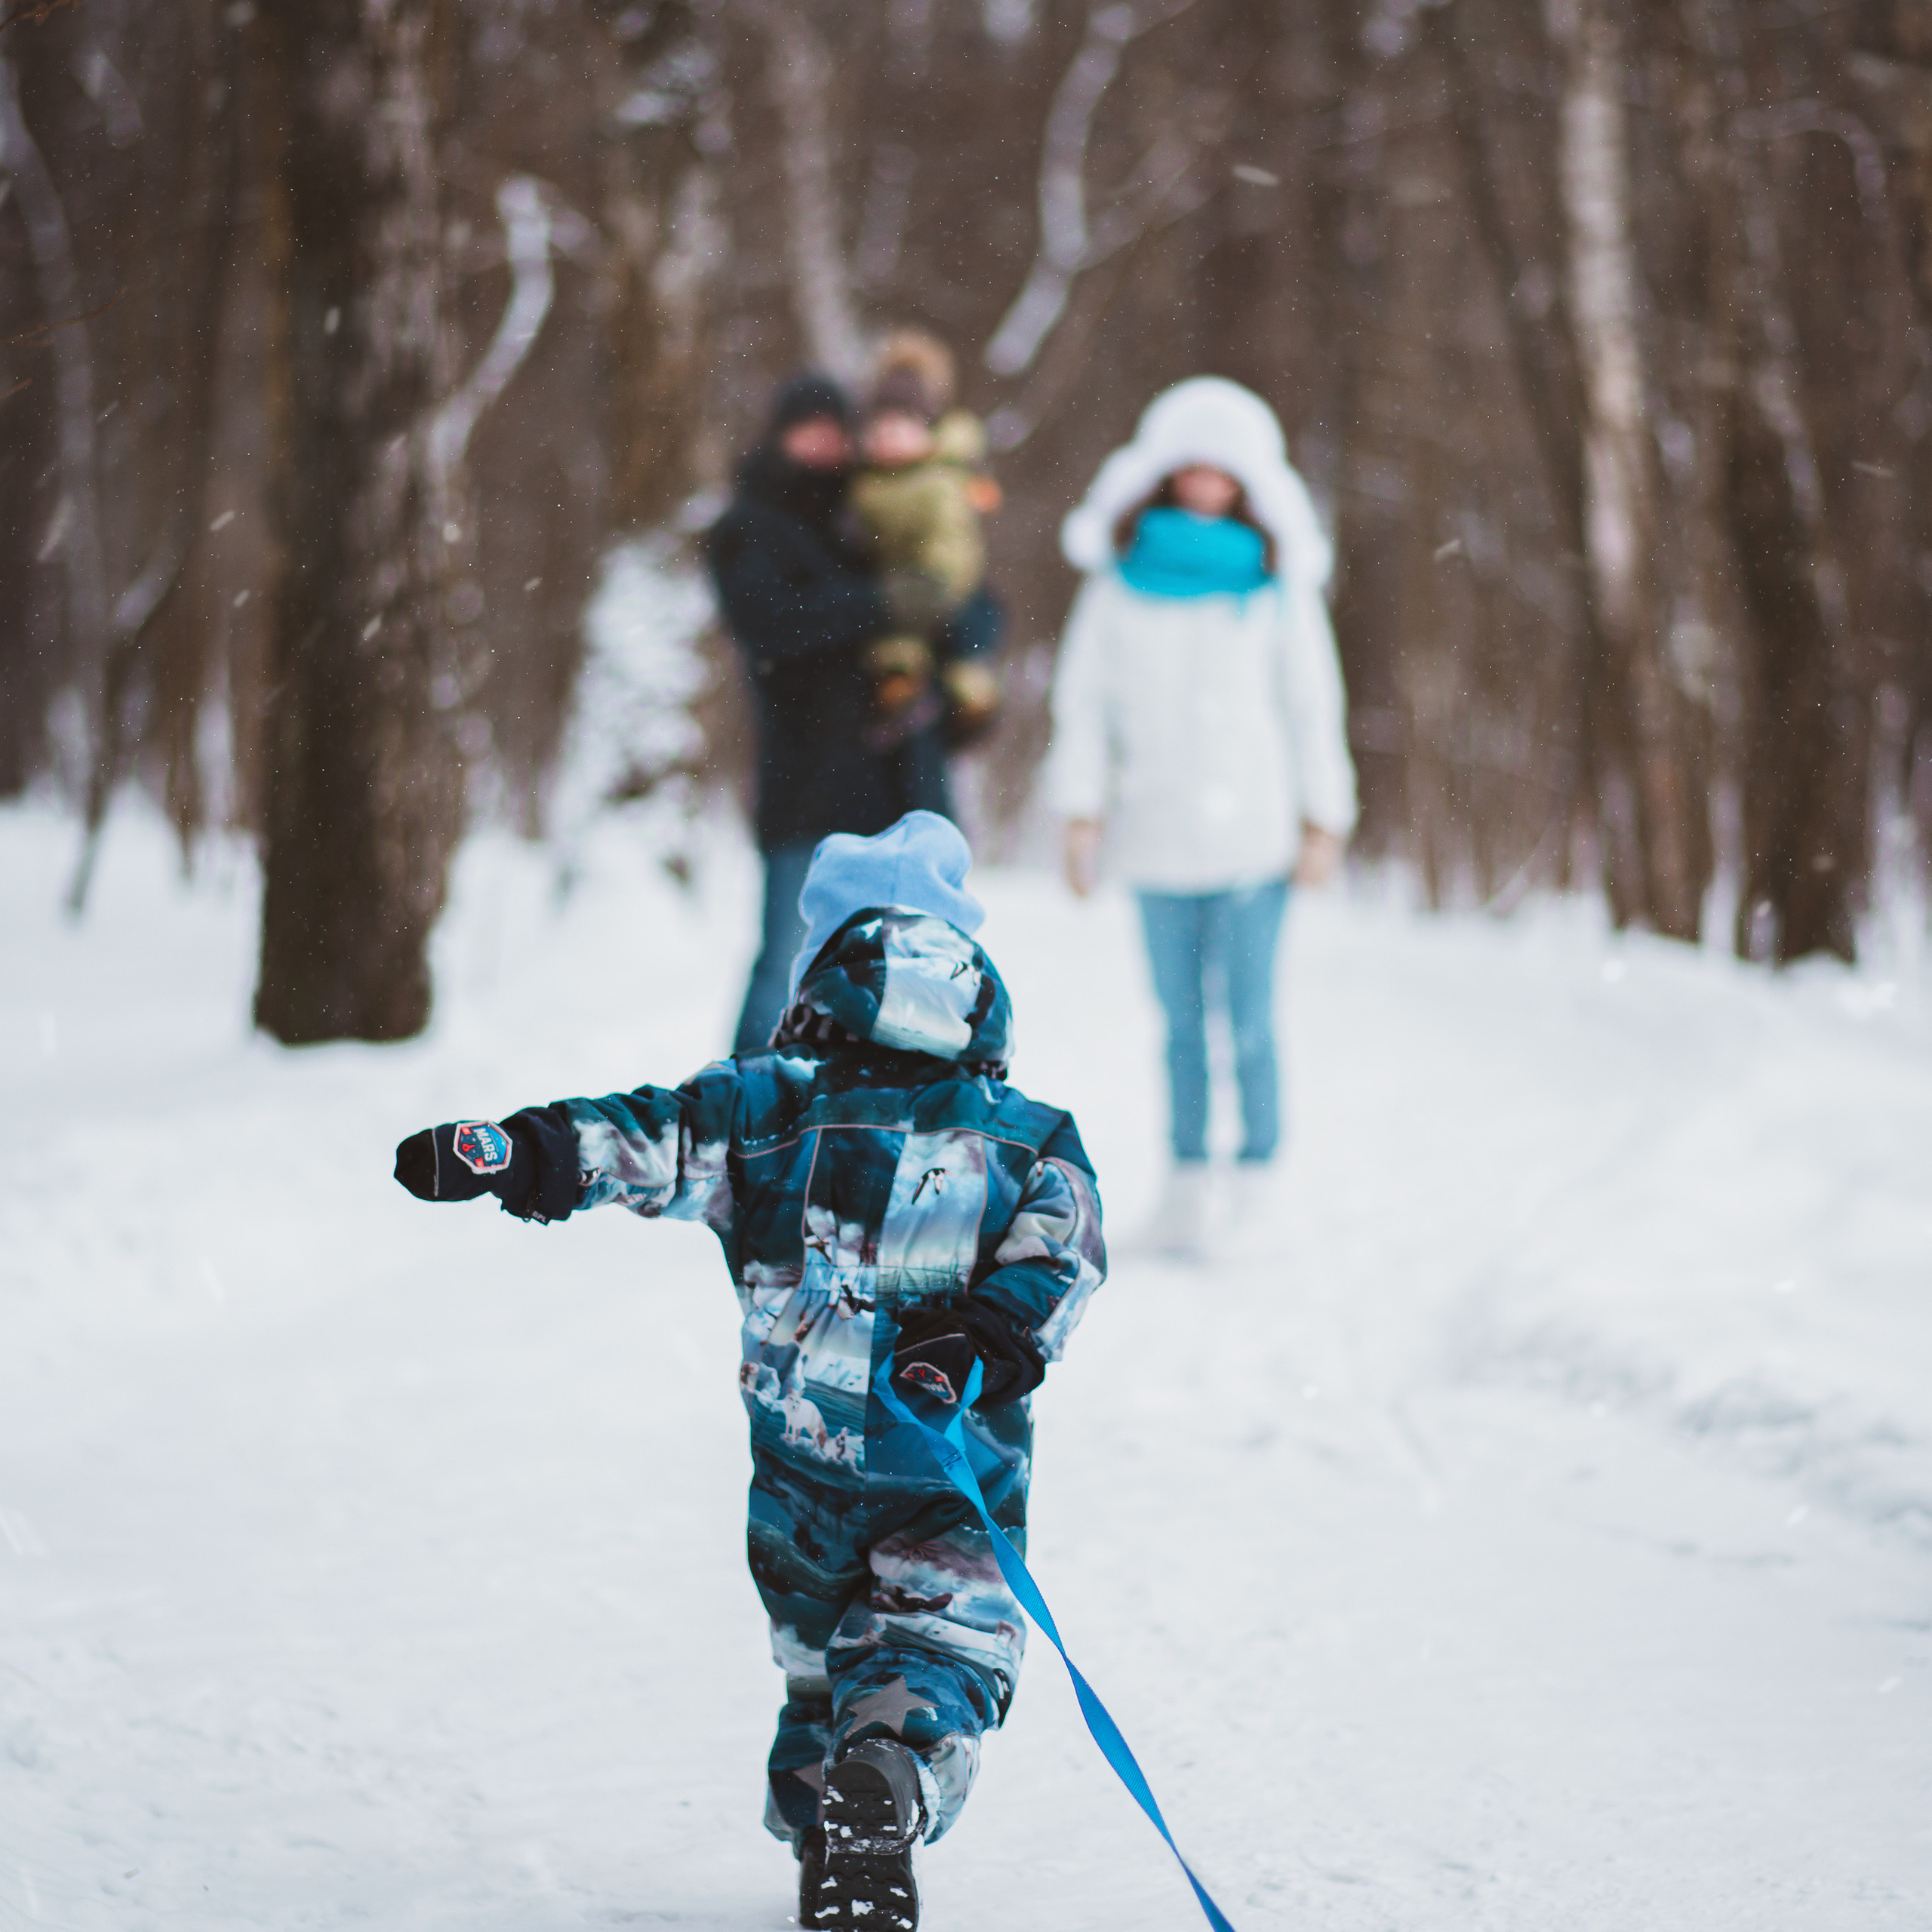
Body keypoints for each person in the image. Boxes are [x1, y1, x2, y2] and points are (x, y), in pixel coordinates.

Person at [391, 811, 1106, 1932]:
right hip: (951, 1473)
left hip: (802, 1488)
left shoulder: (764, 1107)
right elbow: (1063, 1252)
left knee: (824, 1676)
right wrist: (985, 1338)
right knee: (938, 1651)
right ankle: (887, 1788)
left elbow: (648, 1137)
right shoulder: (1027, 1132)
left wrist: (517, 1151)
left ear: (821, 968)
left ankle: (839, 1824)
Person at [1043, 377, 1357, 1257]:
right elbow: (1085, 708)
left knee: (1249, 1018)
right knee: (1178, 1023)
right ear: (1164, 472)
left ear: (1248, 482)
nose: (1205, 484)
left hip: (1254, 836)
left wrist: (1323, 817)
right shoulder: (1115, 585)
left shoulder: (1272, 586)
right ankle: (1184, 1182)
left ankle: (1256, 1182)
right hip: (1155, 834)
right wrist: (1079, 812)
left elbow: (1310, 705)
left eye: (1224, 471)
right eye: (1191, 467)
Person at [708, 374, 1002, 1057]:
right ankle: (749, 1098)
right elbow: (770, 626)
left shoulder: (877, 507)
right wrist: (885, 606)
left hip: (903, 779)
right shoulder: (753, 524)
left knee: (917, 964)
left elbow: (975, 606)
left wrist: (955, 632)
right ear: (778, 435)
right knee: (789, 957)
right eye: (806, 429)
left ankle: (900, 1103)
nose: (823, 444)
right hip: (805, 776)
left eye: (834, 430)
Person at [848, 332, 1001, 750]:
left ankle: (966, 695)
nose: (889, 438)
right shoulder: (863, 482)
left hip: (933, 585)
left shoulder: (941, 481)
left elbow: (953, 542)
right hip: (891, 595)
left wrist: (934, 579)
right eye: (881, 430)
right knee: (899, 648)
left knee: (951, 654)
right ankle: (904, 684)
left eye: (901, 428)